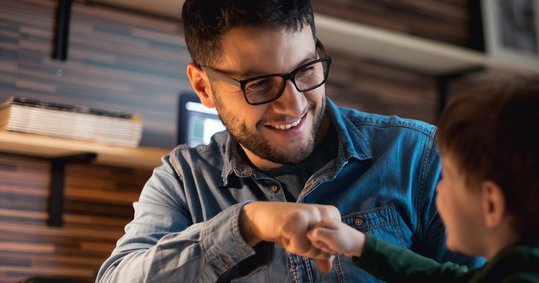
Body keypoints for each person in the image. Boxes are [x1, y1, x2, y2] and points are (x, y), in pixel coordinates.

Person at [96, 0, 478, 282]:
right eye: (259, 84)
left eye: (306, 69)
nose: (293, 105)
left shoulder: (420, 156)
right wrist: (243, 226)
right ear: (203, 87)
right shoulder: (183, 180)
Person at [304, 72, 539, 282]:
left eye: (449, 178)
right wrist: (360, 245)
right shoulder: (529, 266)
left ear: (491, 204)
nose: (437, 189)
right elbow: (440, 277)